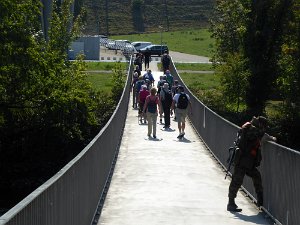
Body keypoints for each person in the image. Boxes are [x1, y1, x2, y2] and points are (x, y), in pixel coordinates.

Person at [227, 116, 277, 212]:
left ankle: (260, 200)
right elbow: (260, 135)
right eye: (264, 126)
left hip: (247, 162)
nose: (264, 128)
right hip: (242, 161)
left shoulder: (250, 127)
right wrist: (270, 137)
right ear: (261, 124)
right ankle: (231, 203)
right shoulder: (252, 129)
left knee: (256, 176)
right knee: (237, 181)